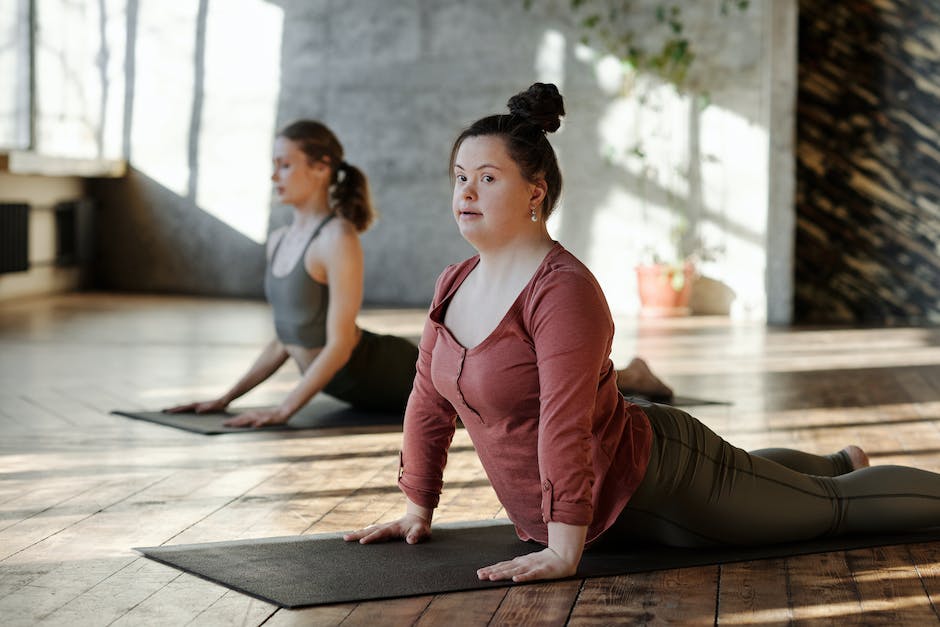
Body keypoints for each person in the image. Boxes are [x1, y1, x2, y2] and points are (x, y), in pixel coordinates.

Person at [343, 83, 940, 582]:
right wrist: (417, 507)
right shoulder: (454, 281)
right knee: (770, 479)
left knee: (835, 511)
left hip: (660, 486)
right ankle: (838, 460)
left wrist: (563, 548)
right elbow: (427, 400)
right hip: (594, 502)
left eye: (488, 178)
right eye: (459, 177)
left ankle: (841, 477)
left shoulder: (561, 290)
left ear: (535, 192)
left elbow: (564, 422)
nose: (466, 192)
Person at [166, 119, 671, 428]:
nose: (273, 175)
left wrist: (285, 409)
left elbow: (338, 346)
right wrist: (225, 398)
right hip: (346, 384)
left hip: (381, 371)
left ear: (321, 169)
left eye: (284, 164)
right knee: (514, 377)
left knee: (517, 384)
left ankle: (631, 377)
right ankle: (630, 373)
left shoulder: (336, 239)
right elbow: (286, 337)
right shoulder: (279, 240)